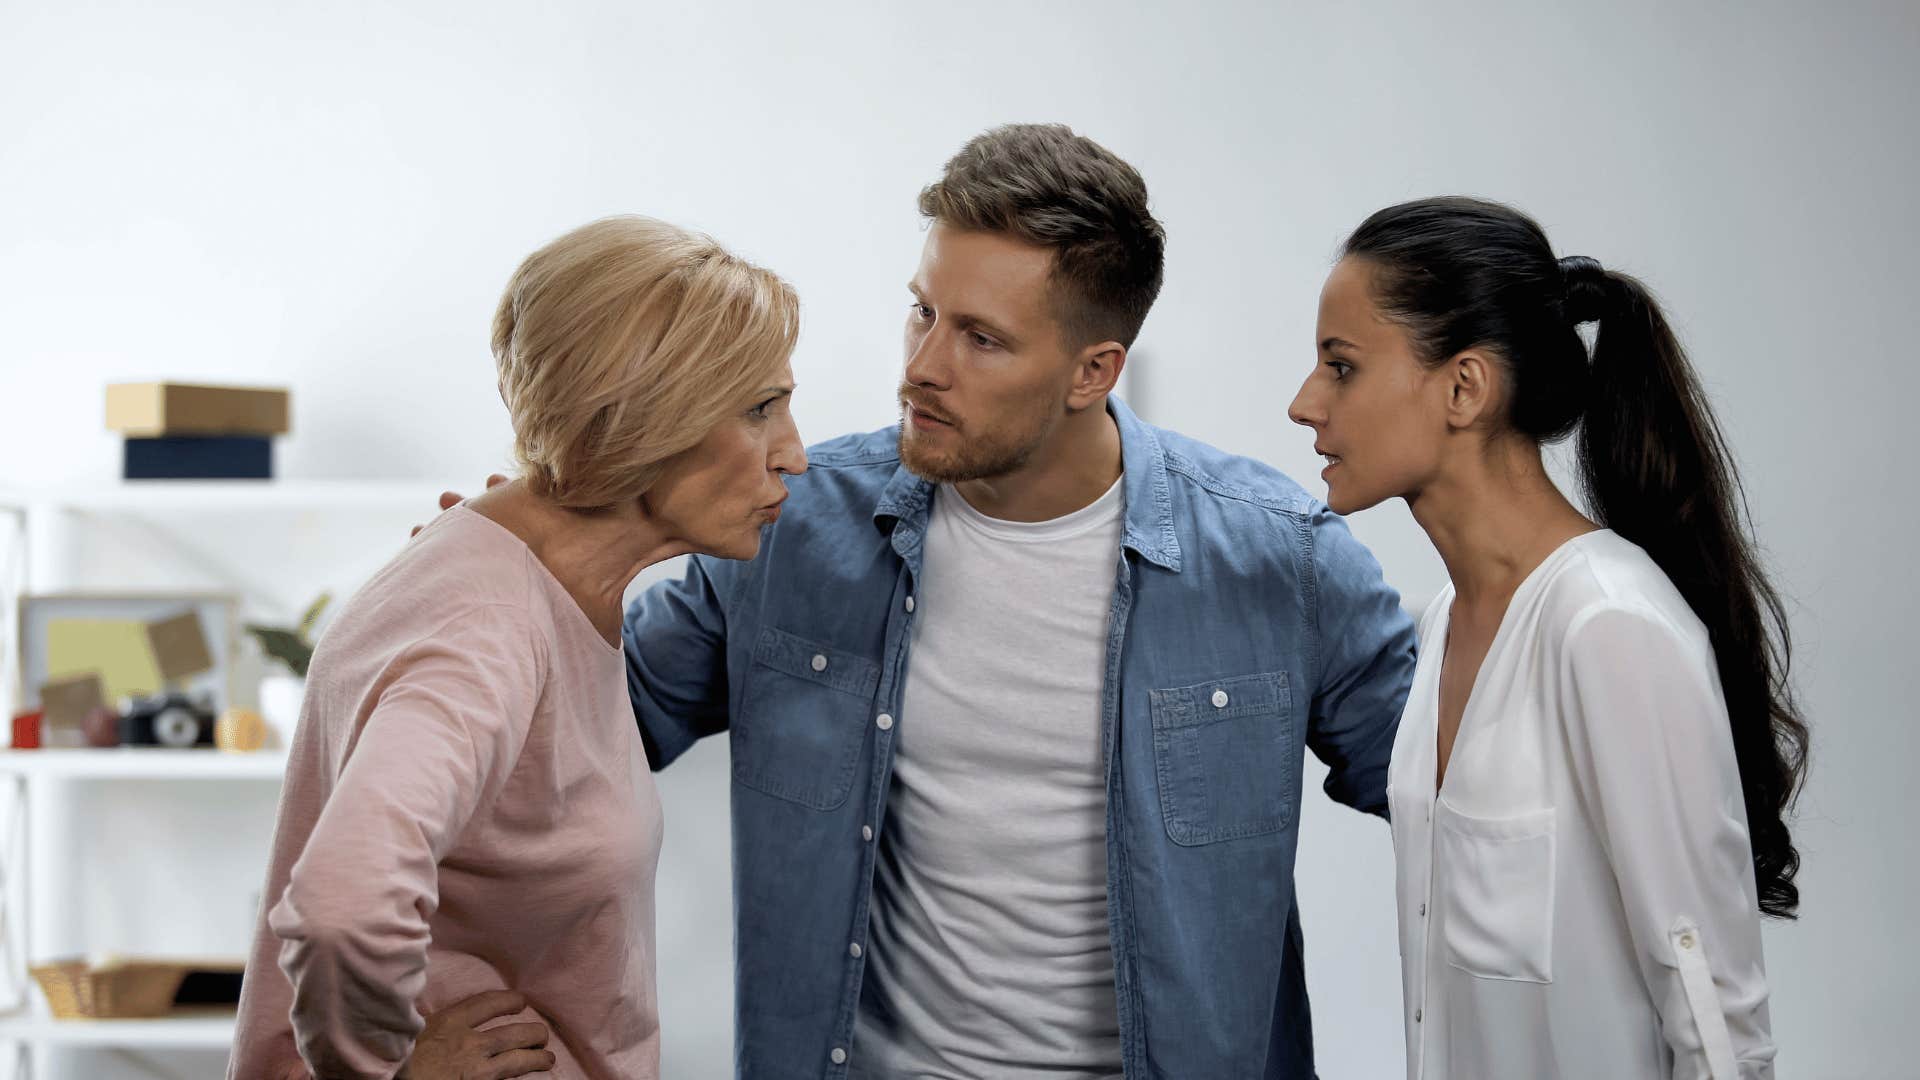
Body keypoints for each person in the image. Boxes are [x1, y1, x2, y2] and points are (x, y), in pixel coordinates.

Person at [616, 123, 1416, 1078]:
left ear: (1094, 371)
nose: (924, 366)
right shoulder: (792, 527)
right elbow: (585, 728)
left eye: (983, 339)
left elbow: (1472, 807)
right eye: (923, 313)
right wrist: (506, 574)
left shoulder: (1279, 562)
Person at [230, 215, 806, 1080]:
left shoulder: (533, 579)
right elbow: (341, 906)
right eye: (759, 409)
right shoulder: (485, 627)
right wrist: (381, 1074)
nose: (792, 454)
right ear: (647, 418)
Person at [1288, 196, 1805, 1079]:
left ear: (1465, 388)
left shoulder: (1608, 626)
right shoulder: (1448, 625)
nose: (1305, 405)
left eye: (1342, 367)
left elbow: (1717, 1017)